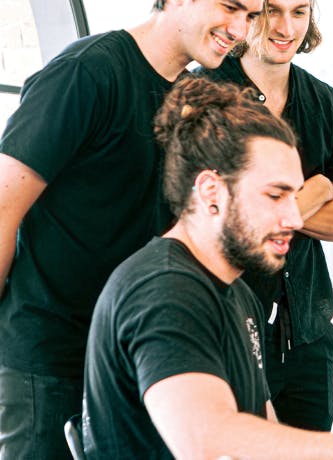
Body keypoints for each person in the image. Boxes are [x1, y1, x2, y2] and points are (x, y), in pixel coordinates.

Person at [82, 76, 333, 460]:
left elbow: (264, 430)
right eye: (275, 196)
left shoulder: (237, 293)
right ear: (211, 191)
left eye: (294, 197)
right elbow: (208, 439)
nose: (295, 219)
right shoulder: (165, 290)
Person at [0, 0, 262, 457]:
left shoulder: (191, 97)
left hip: (132, 357)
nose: (240, 29)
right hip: (51, 358)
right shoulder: (87, 72)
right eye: (231, 7)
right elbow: (3, 206)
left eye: (251, 16)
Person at [195, 0, 333, 431]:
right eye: (272, 10)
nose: (285, 27)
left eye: (299, 11)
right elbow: (212, 214)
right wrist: (316, 192)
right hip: (226, 333)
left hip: (307, 338)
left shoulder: (324, 102)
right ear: (248, 12)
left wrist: (271, 208)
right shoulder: (202, 94)